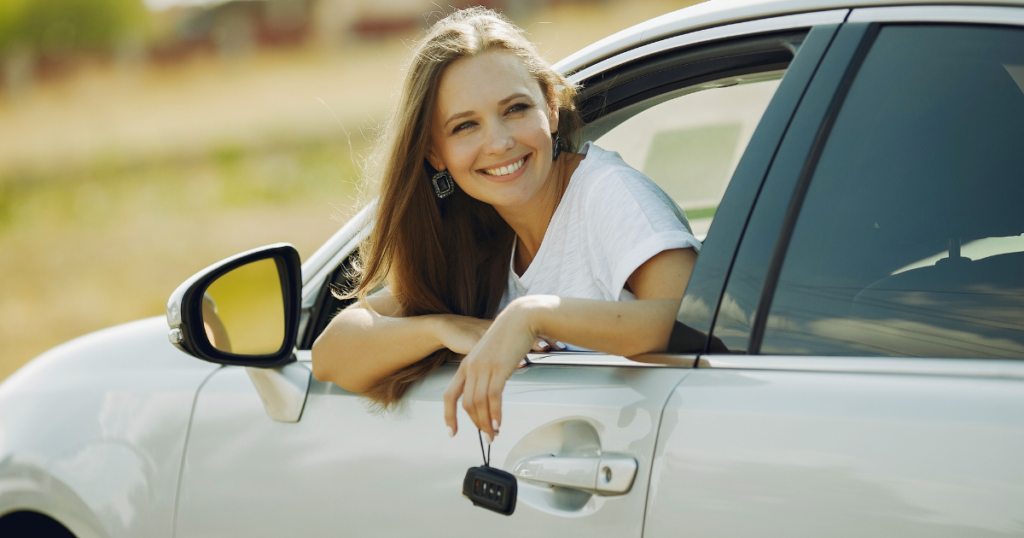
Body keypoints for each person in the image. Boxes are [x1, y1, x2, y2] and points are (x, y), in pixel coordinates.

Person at [311, 7, 700, 444]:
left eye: (515, 109)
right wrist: (444, 327)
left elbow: (701, 327)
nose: (498, 142)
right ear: (434, 153)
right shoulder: (479, 236)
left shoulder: (608, 194)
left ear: (550, 108)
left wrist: (531, 316)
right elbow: (330, 355)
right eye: (465, 126)